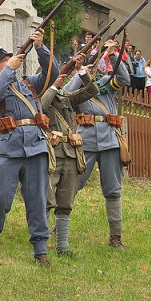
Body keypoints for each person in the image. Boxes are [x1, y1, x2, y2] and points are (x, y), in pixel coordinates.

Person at [0, 30, 56, 264]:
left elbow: (51, 76)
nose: (9, 64)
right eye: (3, 62)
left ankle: (40, 249)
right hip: (8, 148)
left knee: (37, 199)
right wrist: (8, 70)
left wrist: (40, 47)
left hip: (35, 147)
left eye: (9, 60)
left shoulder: (28, 84)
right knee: (0, 199)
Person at [74, 42, 133, 247]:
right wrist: (79, 72)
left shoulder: (105, 83)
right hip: (86, 140)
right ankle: (58, 226)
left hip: (109, 140)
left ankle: (115, 237)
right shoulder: (76, 85)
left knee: (113, 189)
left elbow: (124, 78)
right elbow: (68, 96)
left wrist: (112, 55)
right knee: (72, 185)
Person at [41, 55, 98, 256]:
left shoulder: (66, 98)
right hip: (53, 154)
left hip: (71, 154)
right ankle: (42, 245)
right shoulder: (44, 95)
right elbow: (41, 107)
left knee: (66, 202)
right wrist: (54, 87)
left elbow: (92, 90)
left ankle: (63, 247)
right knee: (47, 200)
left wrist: (81, 70)